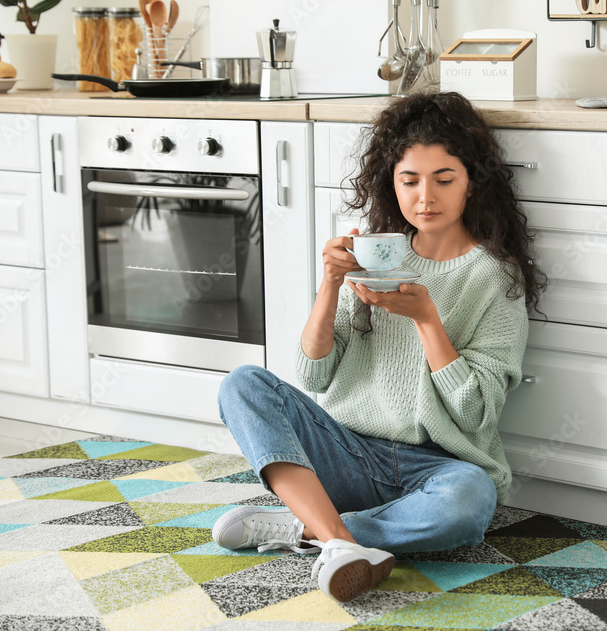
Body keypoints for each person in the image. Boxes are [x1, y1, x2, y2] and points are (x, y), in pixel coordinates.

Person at [212, 90, 548, 603]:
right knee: (243, 384)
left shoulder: (493, 277)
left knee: (470, 501)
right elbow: (314, 377)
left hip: (434, 466)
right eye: (409, 181)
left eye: (444, 179)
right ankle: (340, 539)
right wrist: (329, 286)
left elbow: (477, 412)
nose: (425, 197)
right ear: (392, 184)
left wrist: (428, 321)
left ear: (472, 183)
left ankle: (311, 530)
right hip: (345, 450)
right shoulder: (374, 259)